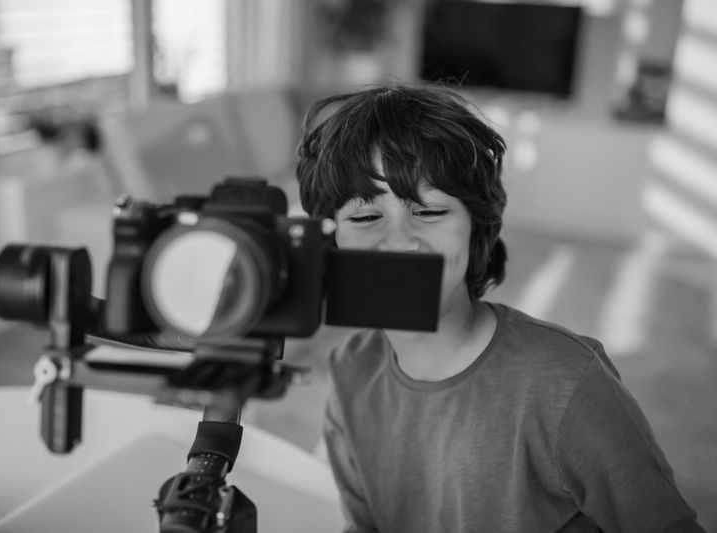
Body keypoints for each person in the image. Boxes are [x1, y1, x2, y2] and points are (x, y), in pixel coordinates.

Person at [294, 82, 705, 532]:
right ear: (330, 240)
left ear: (477, 229)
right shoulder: (351, 372)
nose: (400, 239)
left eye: (429, 211)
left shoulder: (567, 382)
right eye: (366, 217)